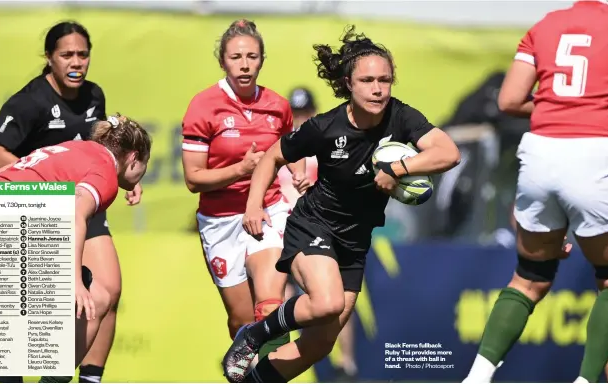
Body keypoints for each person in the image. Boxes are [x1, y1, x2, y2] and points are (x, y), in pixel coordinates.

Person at [221, 25, 461, 383]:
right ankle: (254, 335)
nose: (378, 88)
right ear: (349, 83)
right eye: (367, 80)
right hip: (313, 226)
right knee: (328, 302)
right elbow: (272, 158)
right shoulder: (325, 127)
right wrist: (253, 206)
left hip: (354, 240)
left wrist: (397, 168)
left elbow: (449, 153)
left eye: (385, 79)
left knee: (320, 343)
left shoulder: (401, 117)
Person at [461, 1, 608, 383]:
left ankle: (477, 377)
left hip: (540, 153)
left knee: (530, 277)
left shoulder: (547, 24)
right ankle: (584, 381)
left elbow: (509, 100)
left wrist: (560, 106)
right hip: (598, 153)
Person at [0, 21, 135, 384]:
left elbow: (104, 152)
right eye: (66, 55)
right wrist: (49, 180)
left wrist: (126, 178)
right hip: (36, 209)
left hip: (83, 204)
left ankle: (88, 378)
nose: (76, 62)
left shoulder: (95, 96)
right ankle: (12, 378)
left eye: (83, 54)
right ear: (49, 58)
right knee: (18, 302)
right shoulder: (29, 101)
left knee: (108, 291)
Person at [0, 114, 151, 377]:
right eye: (146, 164)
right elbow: (77, 215)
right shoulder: (105, 171)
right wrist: (75, 281)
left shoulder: (67, 148)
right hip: (0, 225)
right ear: (133, 157)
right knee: (97, 299)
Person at [181, 19, 310, 360]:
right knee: (240, 321)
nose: (244, 64)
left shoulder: (278, 106)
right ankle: (248, 369)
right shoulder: (203, 106)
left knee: (269, 306)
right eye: (236, 57)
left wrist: (298, 173)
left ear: (262, 60)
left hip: (267, 211)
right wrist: (240, 169)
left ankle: (272, 374)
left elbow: (286, 150)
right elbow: (193, 178)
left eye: (252, 56)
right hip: (220, 221)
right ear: (223, 61)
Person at [280, 87, 359, 382]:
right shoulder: (284, 147)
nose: (301, 119)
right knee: (281, 296)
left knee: (334, 300)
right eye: (296, 113)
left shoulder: (326, 147)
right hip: (284, 234)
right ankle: (283, 360)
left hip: (322, 233)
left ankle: (346, 364)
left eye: (305, 113)